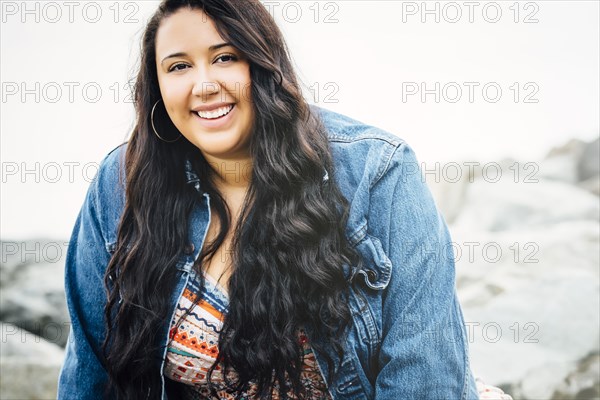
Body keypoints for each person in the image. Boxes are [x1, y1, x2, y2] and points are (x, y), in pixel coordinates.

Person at [57, 1, 512, 399]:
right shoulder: (121, 185)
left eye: (225, 57)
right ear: (157, 89)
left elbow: (424, 373)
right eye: (178, 66)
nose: (204, 84)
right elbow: (91, 371)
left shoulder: (378, 173)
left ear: (263, 65)